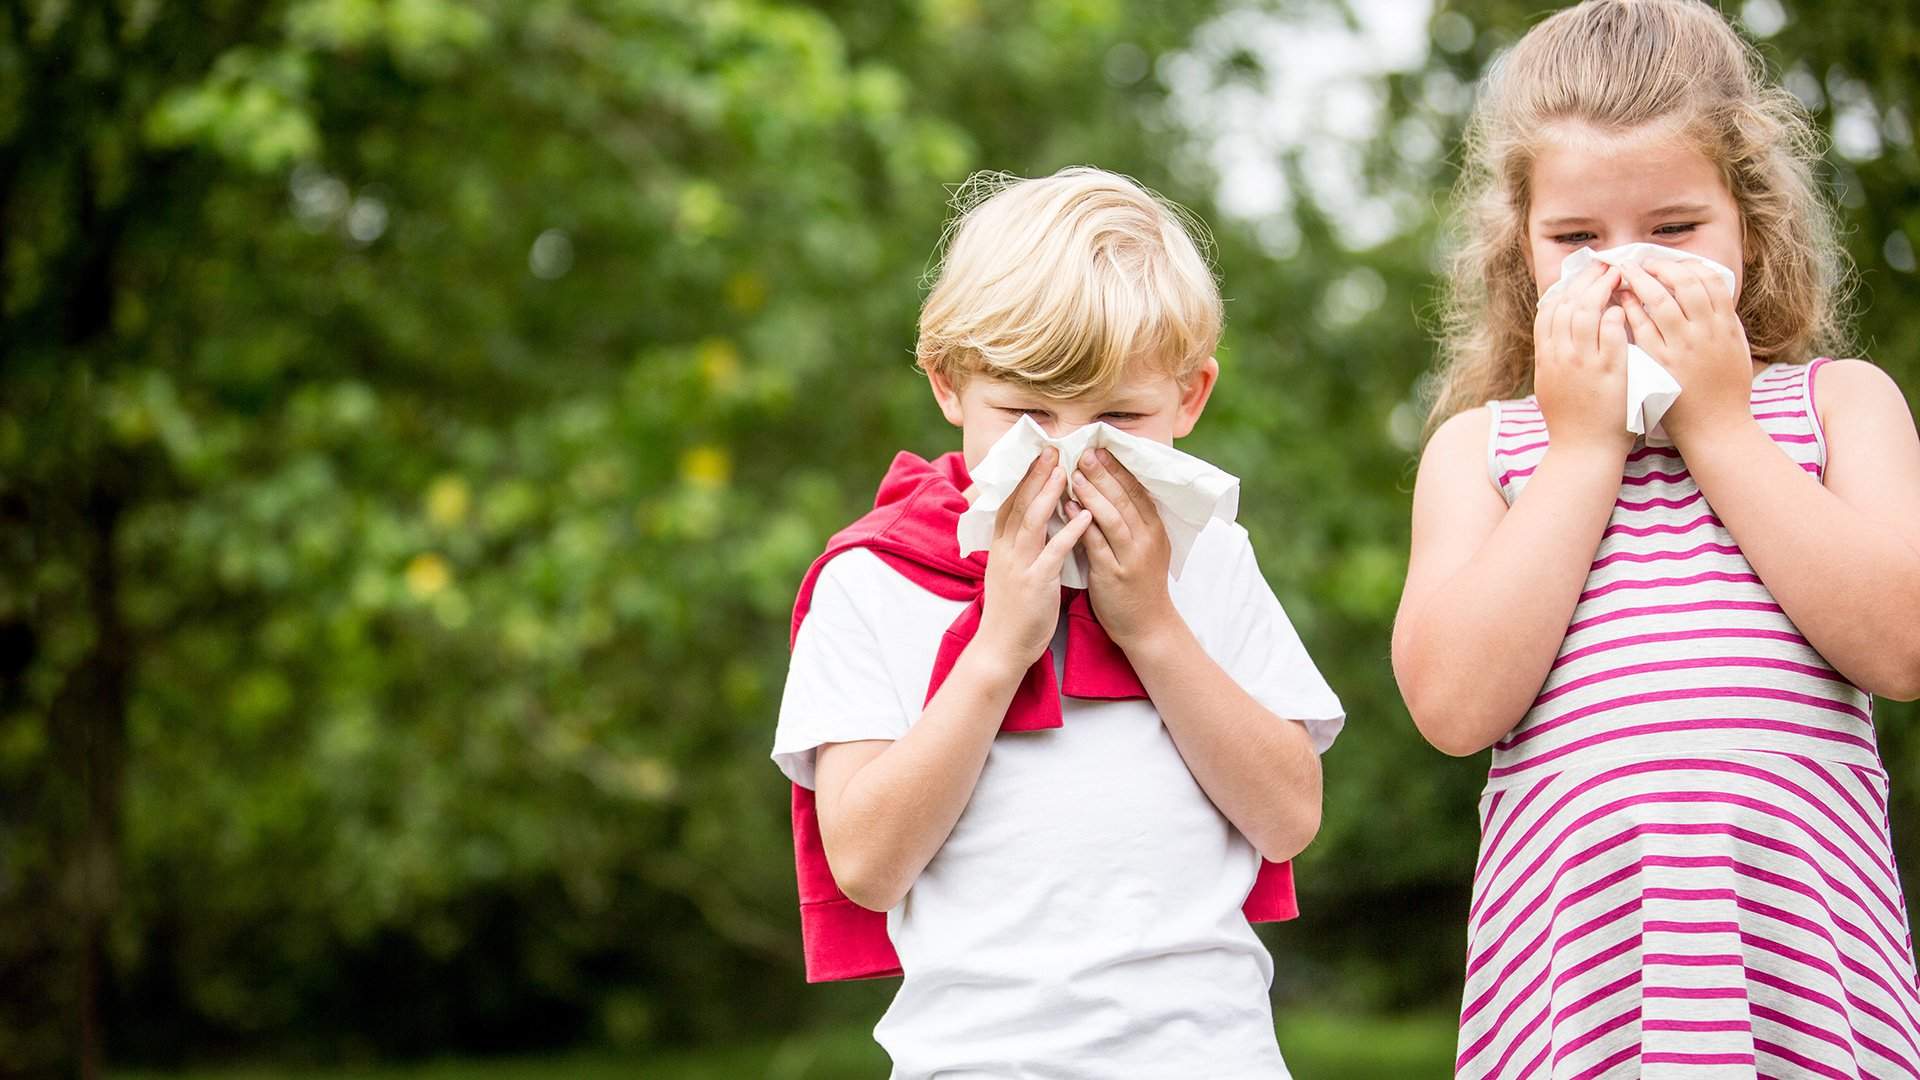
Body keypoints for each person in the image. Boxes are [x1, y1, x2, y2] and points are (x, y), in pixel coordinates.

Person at [1394, 2, 1920, 1076]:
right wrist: (1584, 449)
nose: (1625, 271)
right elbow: (1452, 708)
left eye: (1674, 230)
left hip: (1801, 972)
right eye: (1578, 239)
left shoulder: (1838, 406)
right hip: (1583, 978)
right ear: (1521, 253)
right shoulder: (1483, 448)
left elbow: (1903, 646)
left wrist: (1719, 422)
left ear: (1749, 227)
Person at [772, 166, 1344, 1078]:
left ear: (1191, 398)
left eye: (1119, 415)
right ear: (950, 383)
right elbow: (869, 865)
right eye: (1028, 415)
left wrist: (1153, 625)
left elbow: (1287, 818)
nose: (1072, 452)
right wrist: (1000, 646)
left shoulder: (1211, 562)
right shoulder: (873, 581)